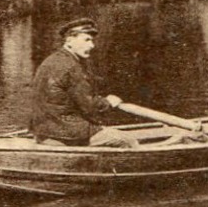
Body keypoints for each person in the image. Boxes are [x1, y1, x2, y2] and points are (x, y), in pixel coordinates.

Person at [28, 17, 139, 148]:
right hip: (66, 131)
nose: (91, 46)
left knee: (103, 130)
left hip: (43, 130)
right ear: (69, 41)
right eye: (86, 40)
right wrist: (109, 102)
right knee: (129, 141)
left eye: (91, 41)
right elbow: (89, 107)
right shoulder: (72, 67)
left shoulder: (52, 60)